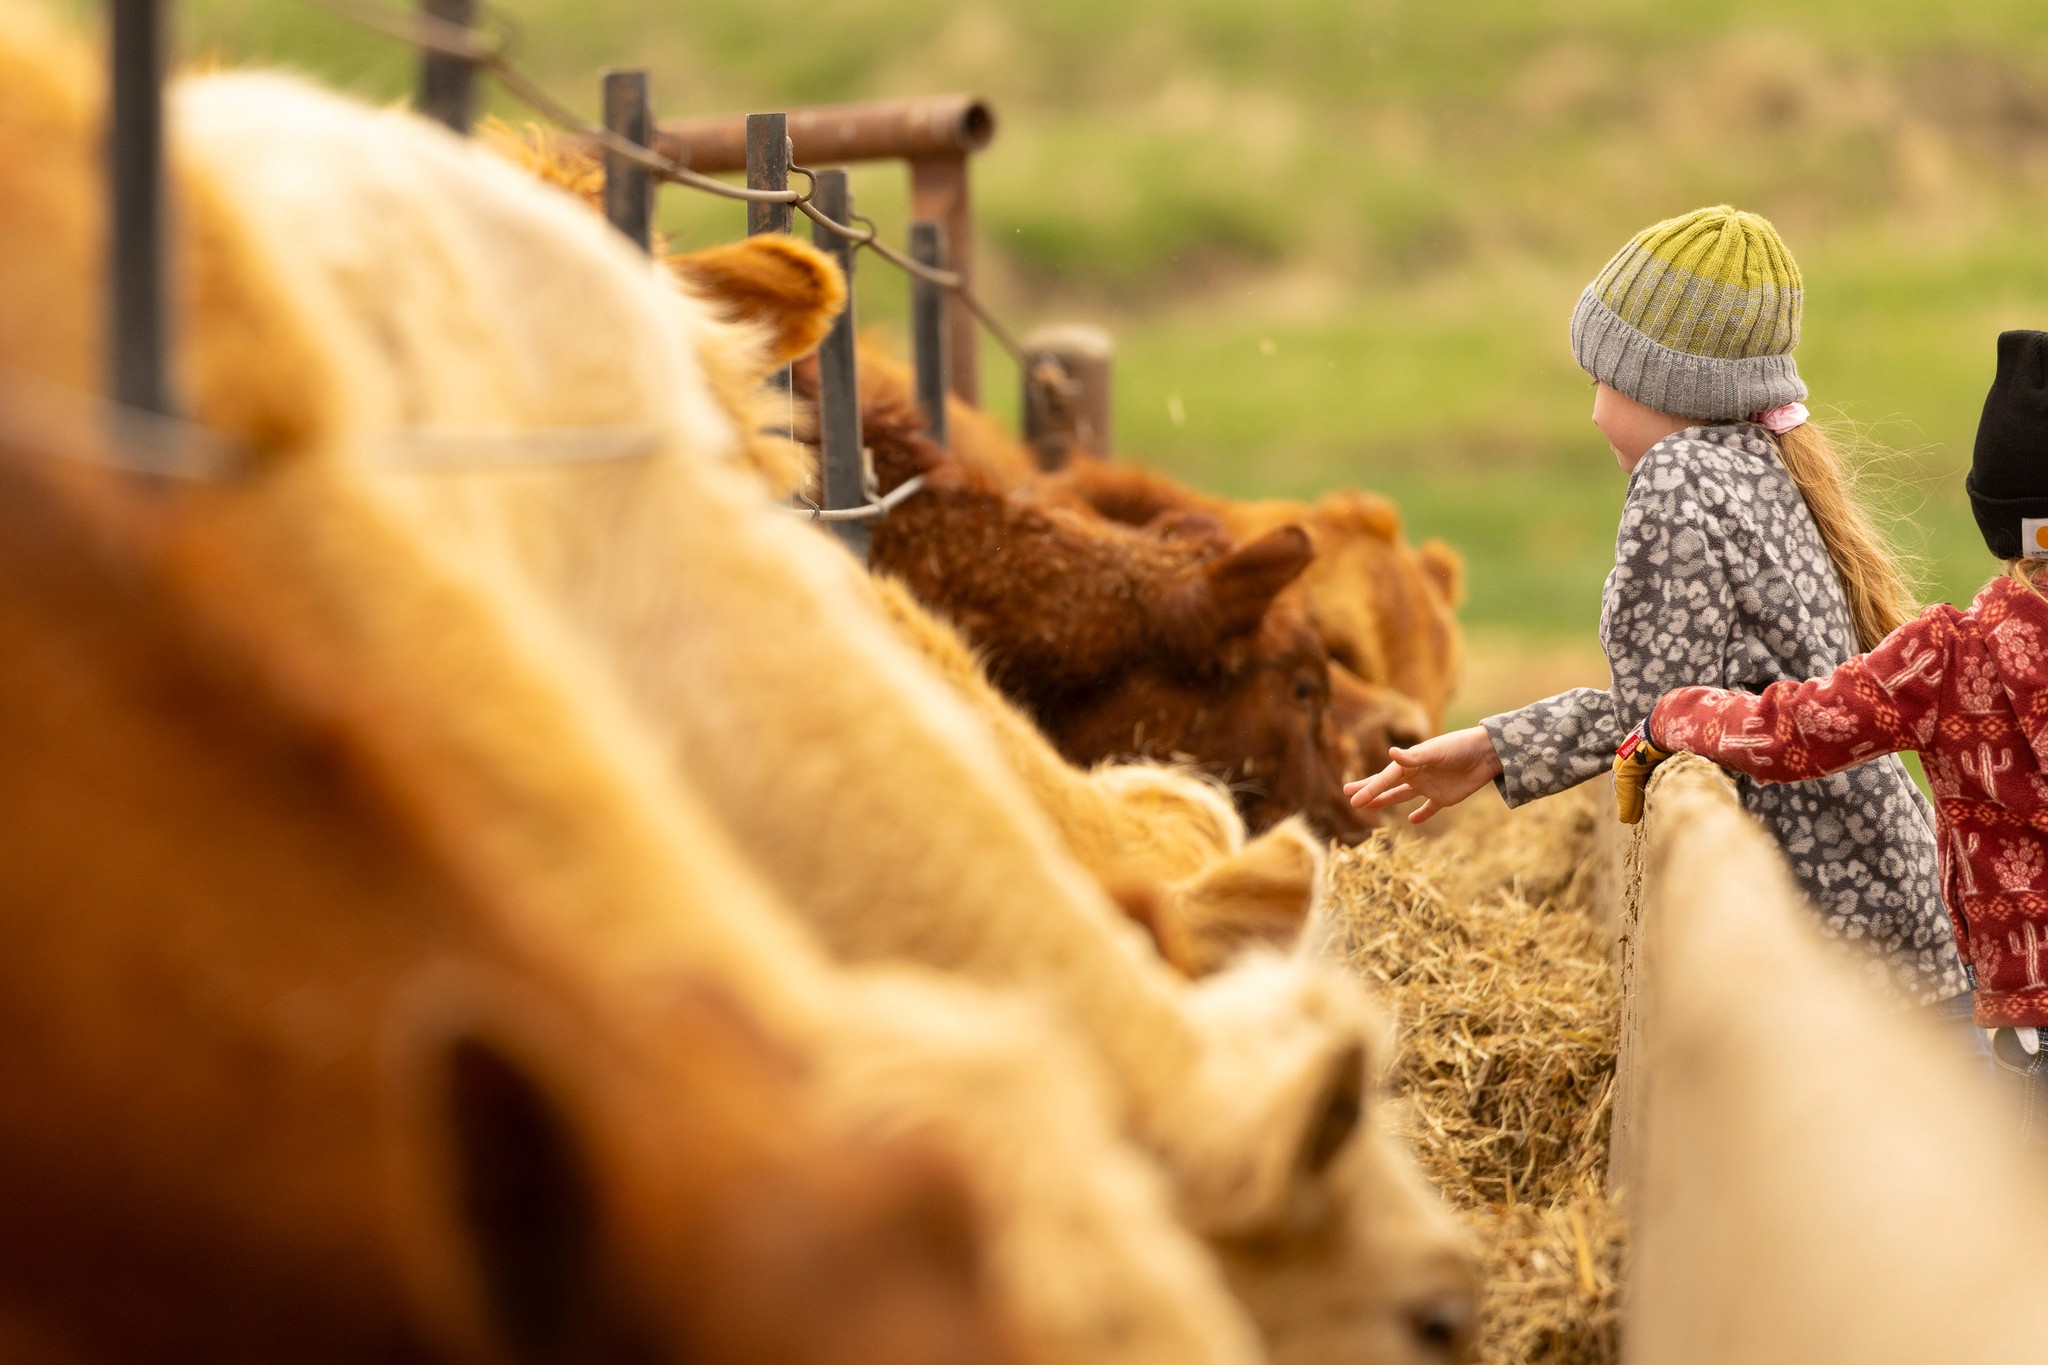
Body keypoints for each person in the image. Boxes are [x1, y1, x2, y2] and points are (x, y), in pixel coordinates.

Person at [1346, 205, 1969, 1020]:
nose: (1595, 411)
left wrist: (1503, 749)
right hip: (1906, 928)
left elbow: (1656, 718)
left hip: (1838, 957)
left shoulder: (1677, 481)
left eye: (1603, 379)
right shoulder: (1761, 465)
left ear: (1667, 385)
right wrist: (1499, 748)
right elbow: (1679, 702)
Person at [1620, 329, 2048, 1137]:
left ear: (2002, 521)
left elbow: (1792, 730)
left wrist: (1675, 712)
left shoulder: (1947, 659)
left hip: (2030, 1027)